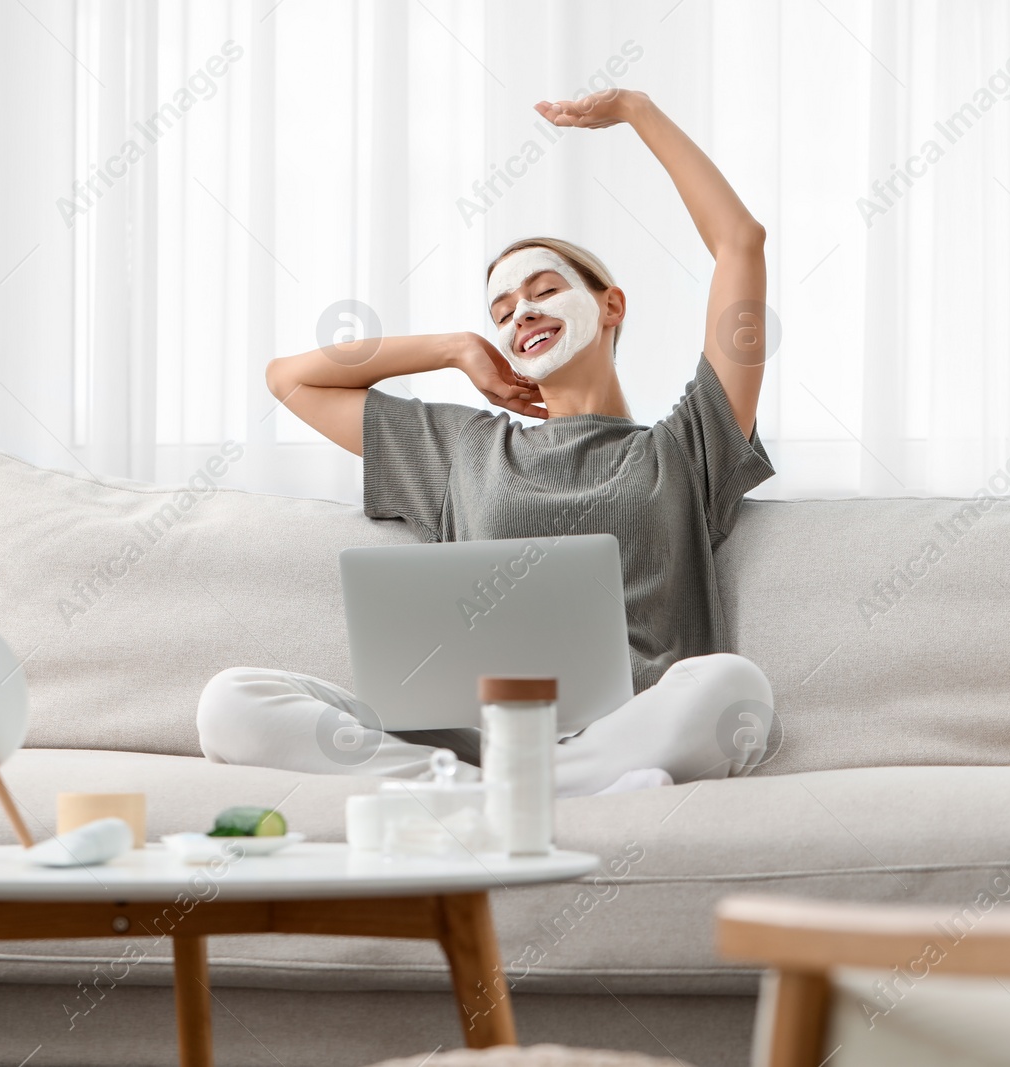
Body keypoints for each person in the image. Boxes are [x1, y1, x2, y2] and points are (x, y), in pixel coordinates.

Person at [197, 88, 776, 797]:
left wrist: (636, 111)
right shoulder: (464, 450)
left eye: (541, 290)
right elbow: (291, 380)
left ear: (610, 303)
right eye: (502, 310)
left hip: (633, 722)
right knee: (232, 701)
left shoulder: (687, 446)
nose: (522, 312)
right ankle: (527, 789)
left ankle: (505, 792)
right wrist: (452, 347)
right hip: (475, 743)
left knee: (731, 685)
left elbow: (740, 242)